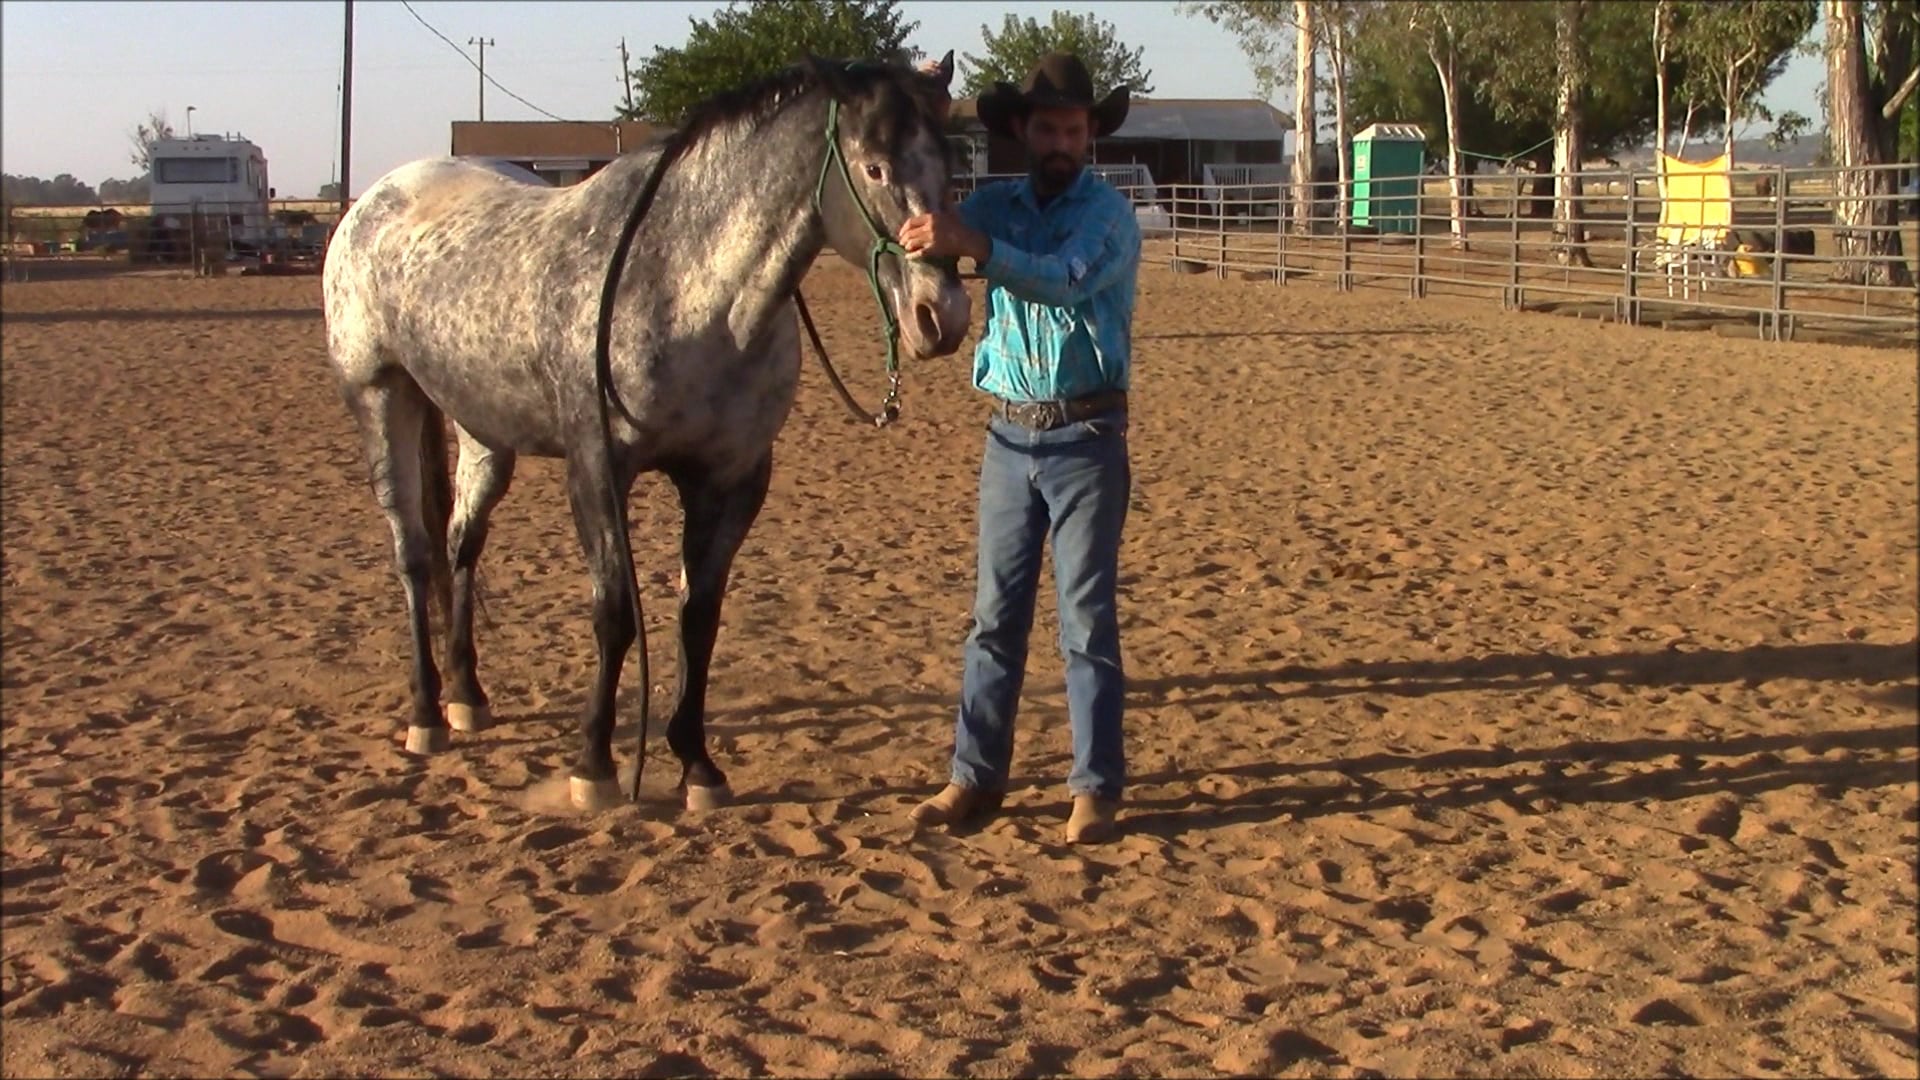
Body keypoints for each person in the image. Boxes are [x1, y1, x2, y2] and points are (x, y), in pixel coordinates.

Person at [896, 53, 1142, 845]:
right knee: (993, 621)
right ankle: (973, 776)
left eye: (1074, 127)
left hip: (1086, 437)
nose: (1062, 138)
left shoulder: (1107, 216)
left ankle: (1095, 785)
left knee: (1085, 622)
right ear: (1023, 132)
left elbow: (1065, 278)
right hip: (1008, 435)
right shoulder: (996, 203)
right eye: (1048, 127)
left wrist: (972, 241)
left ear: (1091, 134)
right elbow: (927, 230)